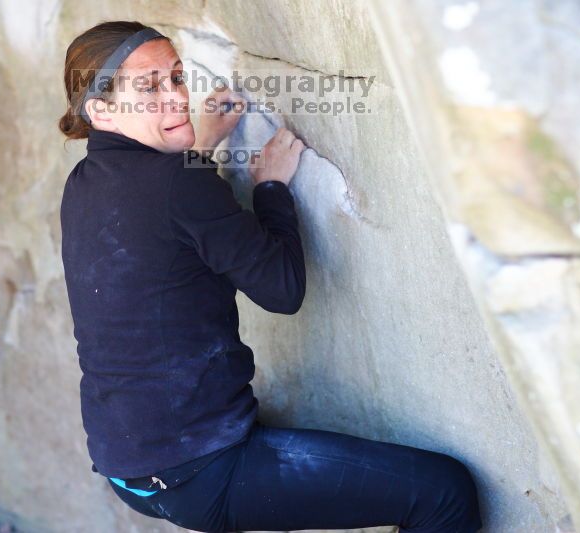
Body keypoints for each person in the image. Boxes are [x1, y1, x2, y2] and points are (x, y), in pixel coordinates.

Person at [58, 20, 483, 533]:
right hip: (201, 471)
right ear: (101, 110)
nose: (175, 98)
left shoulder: (83, 183)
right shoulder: (177, 183)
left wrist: (199, 150)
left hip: (129, 470)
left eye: (176, 76)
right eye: (149, 88)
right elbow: (282, 289)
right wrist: (270, 188)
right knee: (444, 492)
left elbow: (159, 223)